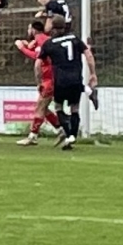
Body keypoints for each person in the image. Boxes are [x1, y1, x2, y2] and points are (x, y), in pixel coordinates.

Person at [38, 20, 97, 151]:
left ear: (53, 29)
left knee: (58, 107)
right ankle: (72, 136)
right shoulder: (74, 39)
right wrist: (93, 73)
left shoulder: (49, 44)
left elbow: (38, 64)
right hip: (76, 79)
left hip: (60, 81)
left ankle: (69, 135)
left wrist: (39, 81)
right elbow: (88, 55)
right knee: (74, 108)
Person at [13, 15, 63, 145]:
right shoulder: (43, 39)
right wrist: (27, 45)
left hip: (49, 78)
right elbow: (35, 49)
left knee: (40, 107)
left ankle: (33, 136)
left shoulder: (41, 40)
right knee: (43, 108)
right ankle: (61, 130)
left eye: (29, 29)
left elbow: (37, 56)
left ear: (33, 30)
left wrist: (22, 48)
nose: (28, 31)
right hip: (51, 77)